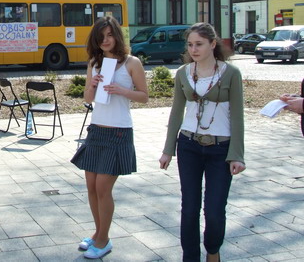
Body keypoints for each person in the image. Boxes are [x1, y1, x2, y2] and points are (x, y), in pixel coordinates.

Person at [159, 22, 245, 262]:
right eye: (190, 45)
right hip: (189, 146)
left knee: (215, 211)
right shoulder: (183, 73)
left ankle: (213, 251)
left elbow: (238, 115)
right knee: (189, 209)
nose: (193, 49)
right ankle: (190, 258)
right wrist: (168, 150)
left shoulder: (230, 73)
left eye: (199, 44)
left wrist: (237, 154)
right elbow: (176, 112)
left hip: (221, 149)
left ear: (213, 44)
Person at [71, 16, 148, 259]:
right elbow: (87, 99)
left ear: (117, 36)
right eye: (101, 37)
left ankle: (104, 240)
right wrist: (93, 85)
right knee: (91, 187)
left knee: (104, 188)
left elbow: (144, 96)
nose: (105, 40)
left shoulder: (131, 62)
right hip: (96, 129)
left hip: (118, 130)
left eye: (110, 35)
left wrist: (122, 90)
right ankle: (97, 233)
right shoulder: (95, 62)